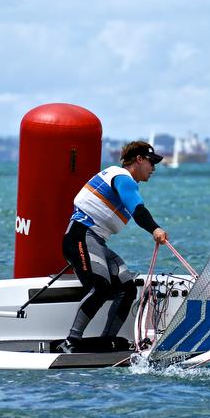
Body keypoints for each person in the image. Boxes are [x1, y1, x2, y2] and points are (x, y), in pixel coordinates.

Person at [59, 141, 168, 353]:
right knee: (100, 286)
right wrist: (155, 229)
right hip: (80, 236)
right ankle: (70, 341)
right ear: (138, 159)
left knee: (127, 289)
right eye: (151, 162)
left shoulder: (121, 179)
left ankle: (106, 341)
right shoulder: (123, 178)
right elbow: (138, 210)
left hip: (95, 241)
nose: (153, 168)